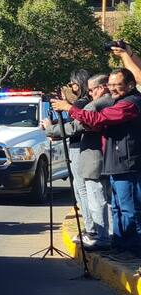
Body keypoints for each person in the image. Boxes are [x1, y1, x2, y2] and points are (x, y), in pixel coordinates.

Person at [54, 68, 141, 255]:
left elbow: (98, 119)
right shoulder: (117, 102)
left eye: (117, 85)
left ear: (131, 85)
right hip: (114, 161)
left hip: (127, 163)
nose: (112, 89)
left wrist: (69, 108)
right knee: (117, 207)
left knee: (128, 208)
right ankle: (118, 245)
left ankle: (132, 249)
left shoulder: (129, 104)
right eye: (110, 85)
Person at [47, 74, 111, 248]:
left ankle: (99, 236)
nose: (90, 93)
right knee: (99, 198)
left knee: (95, 199)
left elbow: (77, 126)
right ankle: (100, 234)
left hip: (94, 157)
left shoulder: (96, 105)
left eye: (92, 90)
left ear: (102, 87)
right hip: (100, 157)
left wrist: (52, 128)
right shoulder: (104, 103)